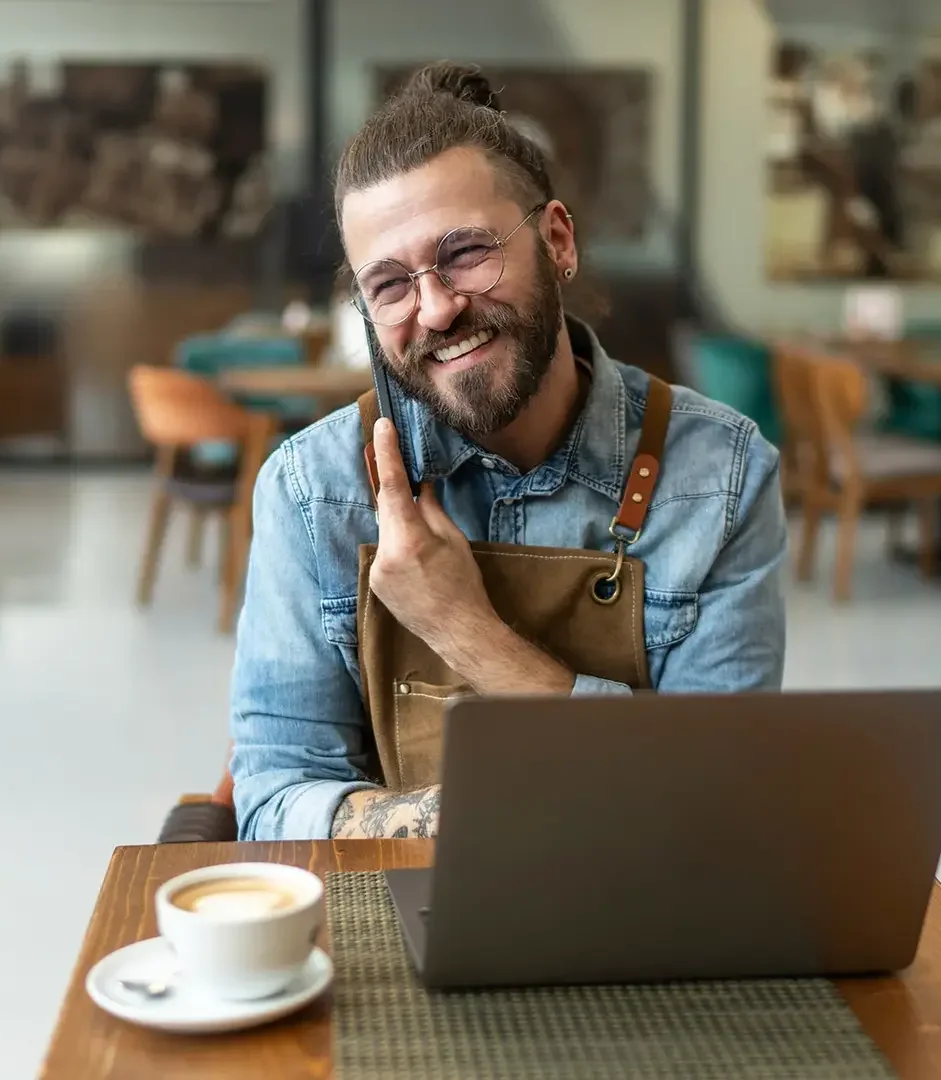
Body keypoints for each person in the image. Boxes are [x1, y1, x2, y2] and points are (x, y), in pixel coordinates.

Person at [228, 62, 787, 842]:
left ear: (556, 239)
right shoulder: (311, 490)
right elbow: (275, 799)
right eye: (388, 285)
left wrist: (461, 627)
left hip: (646, 909)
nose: (435, 308)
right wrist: (471, 825)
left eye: (464, 253)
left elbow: (719, 802)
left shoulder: (719, 477)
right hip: (398, 919)